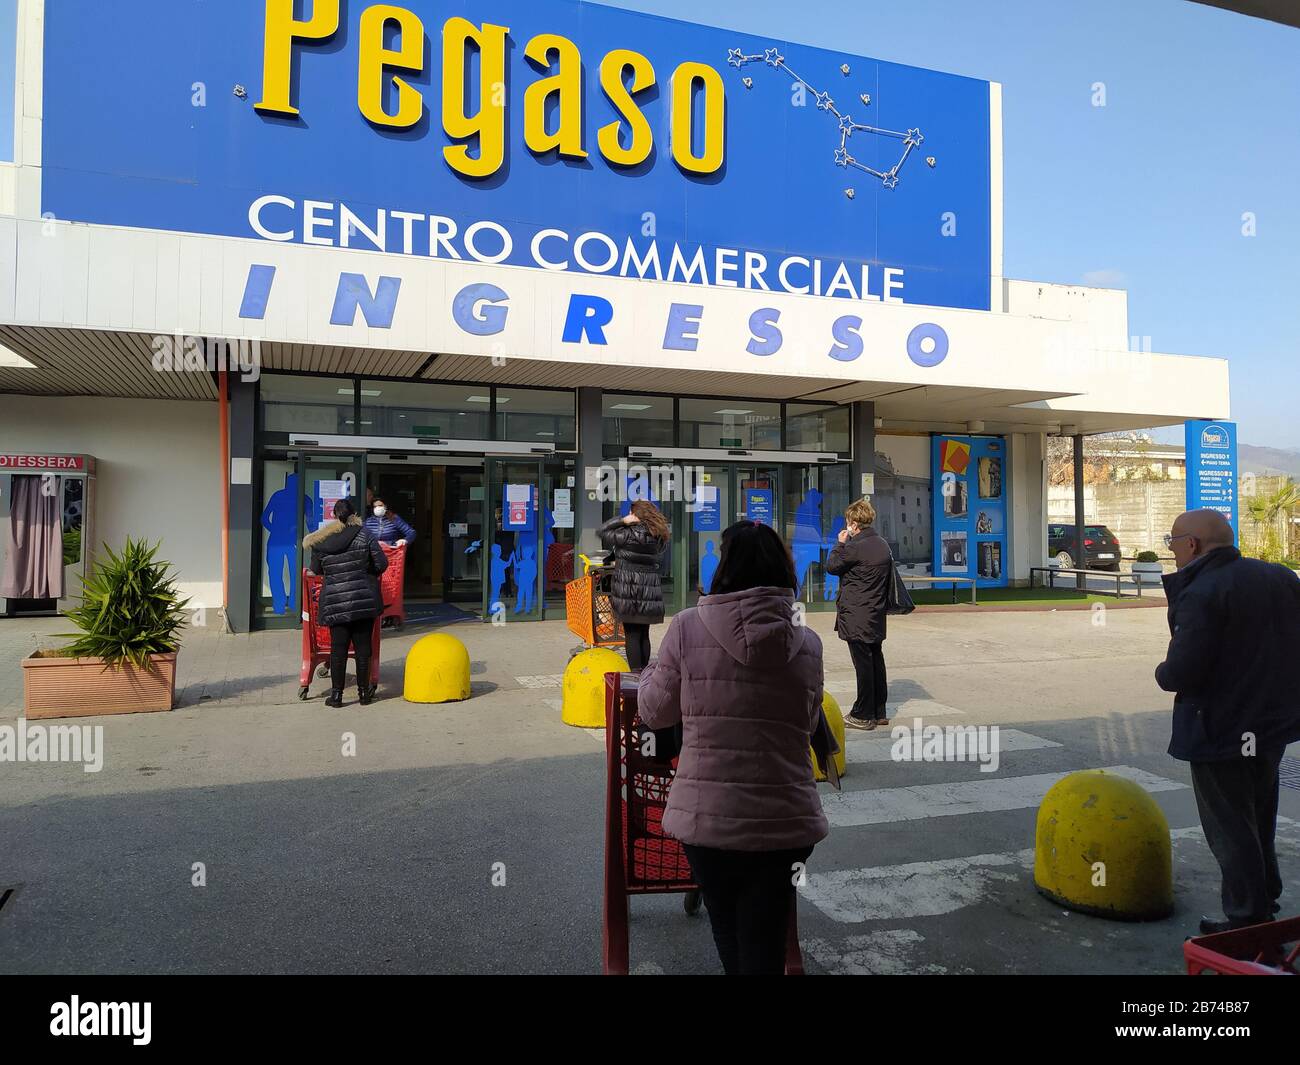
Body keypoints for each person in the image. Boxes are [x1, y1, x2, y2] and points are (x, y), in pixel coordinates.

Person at [637, 520, 828, 975]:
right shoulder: (809, 641)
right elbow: (807, 722)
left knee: (728, 929)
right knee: (766, 935)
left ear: (724, 567)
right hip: (788, 823)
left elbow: (654, 712)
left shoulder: (687, 628)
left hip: (711, 824)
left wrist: (649, 672)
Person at [1155, 508, 1300, 934]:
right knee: (1259, 815)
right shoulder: (1280, 577)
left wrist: (1162, 674)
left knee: (1231, 826)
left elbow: (1182, 671)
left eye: (1173, 543)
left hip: (1220, 728)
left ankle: (1246, 918)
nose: (1172, 552)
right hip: (1270, 727)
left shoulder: (1202, 591)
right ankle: (1262, 901)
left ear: (1192, 545)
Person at [304, 499, 388, 708]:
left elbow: (316, 570)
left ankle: (337, 696)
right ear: (353, 515)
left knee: (338, 649)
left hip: (335, 601)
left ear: (334, 516)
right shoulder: (365, 535)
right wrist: (366, 575)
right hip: (363, 600)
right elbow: (381, 564)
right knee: (363, 648)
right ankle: (364, 695)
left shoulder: (321, 541)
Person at [824, 497, 893, 731]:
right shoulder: (881, 543)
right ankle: (879, 711)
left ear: (853, 523)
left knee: (863, 664)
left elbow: (832, 566)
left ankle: (862, 714)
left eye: (847, 521)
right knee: (876, 660)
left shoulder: (854, 547)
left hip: (856, 613)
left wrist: (840, 543)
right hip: (875, 612)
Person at [598, 499, 668, 670]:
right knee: (644, 634)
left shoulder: (626, 534)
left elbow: (602, 531)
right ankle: (645, 674)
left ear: (636, 515)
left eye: (631, 513)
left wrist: (622, 521)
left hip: (628, 591)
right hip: (649, 592)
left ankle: (636, 675)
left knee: (632, 635)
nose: (629, 516)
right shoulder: (658, 536)